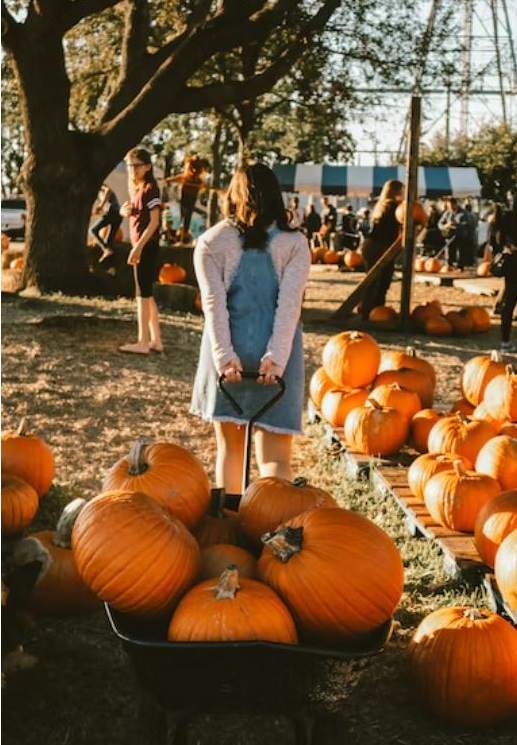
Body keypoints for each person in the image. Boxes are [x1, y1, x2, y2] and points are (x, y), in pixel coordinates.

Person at [190, 163, 311, 510]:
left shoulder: (212, 242)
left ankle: (228, 525)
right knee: (276, 459)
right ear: (276, 197)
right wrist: (276, 358)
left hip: (228, 354)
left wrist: (225, 357)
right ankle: (272, 522)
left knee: (230, 451)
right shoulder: (295, 243)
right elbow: (290, 307)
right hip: (278, 357)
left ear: (234, 195)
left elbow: (214, 306)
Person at [118, 147, 163, 355]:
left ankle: (142, 342)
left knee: (141, 296)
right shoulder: (138, 190)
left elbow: (154, 222)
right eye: (129, 166)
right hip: (142, 245)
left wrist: (138, 247)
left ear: (147, 167)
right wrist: (123, 210)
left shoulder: (151, 189)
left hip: (147, 245)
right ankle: (156, 340)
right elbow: (132, 212)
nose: (132, 170)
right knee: (147, 293)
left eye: (136, 166)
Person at [359, 178, 404, 320]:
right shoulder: (393, 206)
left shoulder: (381, 205)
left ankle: (370, 309)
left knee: (375, 280)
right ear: (397, 192)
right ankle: (372, 311)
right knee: (381, 280)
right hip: (380, 246)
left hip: (372, 245)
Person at [167, 155, 209, 243]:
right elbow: (175, 178)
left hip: (192, 199)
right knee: (184, 216)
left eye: (196, 169)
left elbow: (205, 186)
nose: (194, 171)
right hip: (184, 198)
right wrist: (168, 180)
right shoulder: (185, 177)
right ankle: (182, 234)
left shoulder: (199, 180)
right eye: (192, 168)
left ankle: (184, 233)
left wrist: (206, 187)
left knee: (187, 217)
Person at [498, 198, 517, 353]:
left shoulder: (508, 217)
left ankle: (505, 340)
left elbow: (498, 239)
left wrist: (508, 246)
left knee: (509, 303)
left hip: (512, 262)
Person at [90, 183, 123, 263]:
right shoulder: (99, 195)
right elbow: (104, 207)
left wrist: (101, 205)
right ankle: (111, 267)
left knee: (93, 230)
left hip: (114, 212)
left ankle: (106, 250)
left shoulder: (102, 187)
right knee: (108, 242)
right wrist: (97, 211)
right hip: (117, 215)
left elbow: (108, 191)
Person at [437, 197, 469, 270]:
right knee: (449, 251)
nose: (450, 208)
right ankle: (449, 265)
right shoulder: (447, 213)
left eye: (452, 206)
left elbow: (466, 224)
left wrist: (456, 225)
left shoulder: (463, 213)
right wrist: (445, 226)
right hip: (449, 235)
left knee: (460, 251)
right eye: (449, 206)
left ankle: (460, 266)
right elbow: (439, 223)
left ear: (455, 204)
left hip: (459, 235)